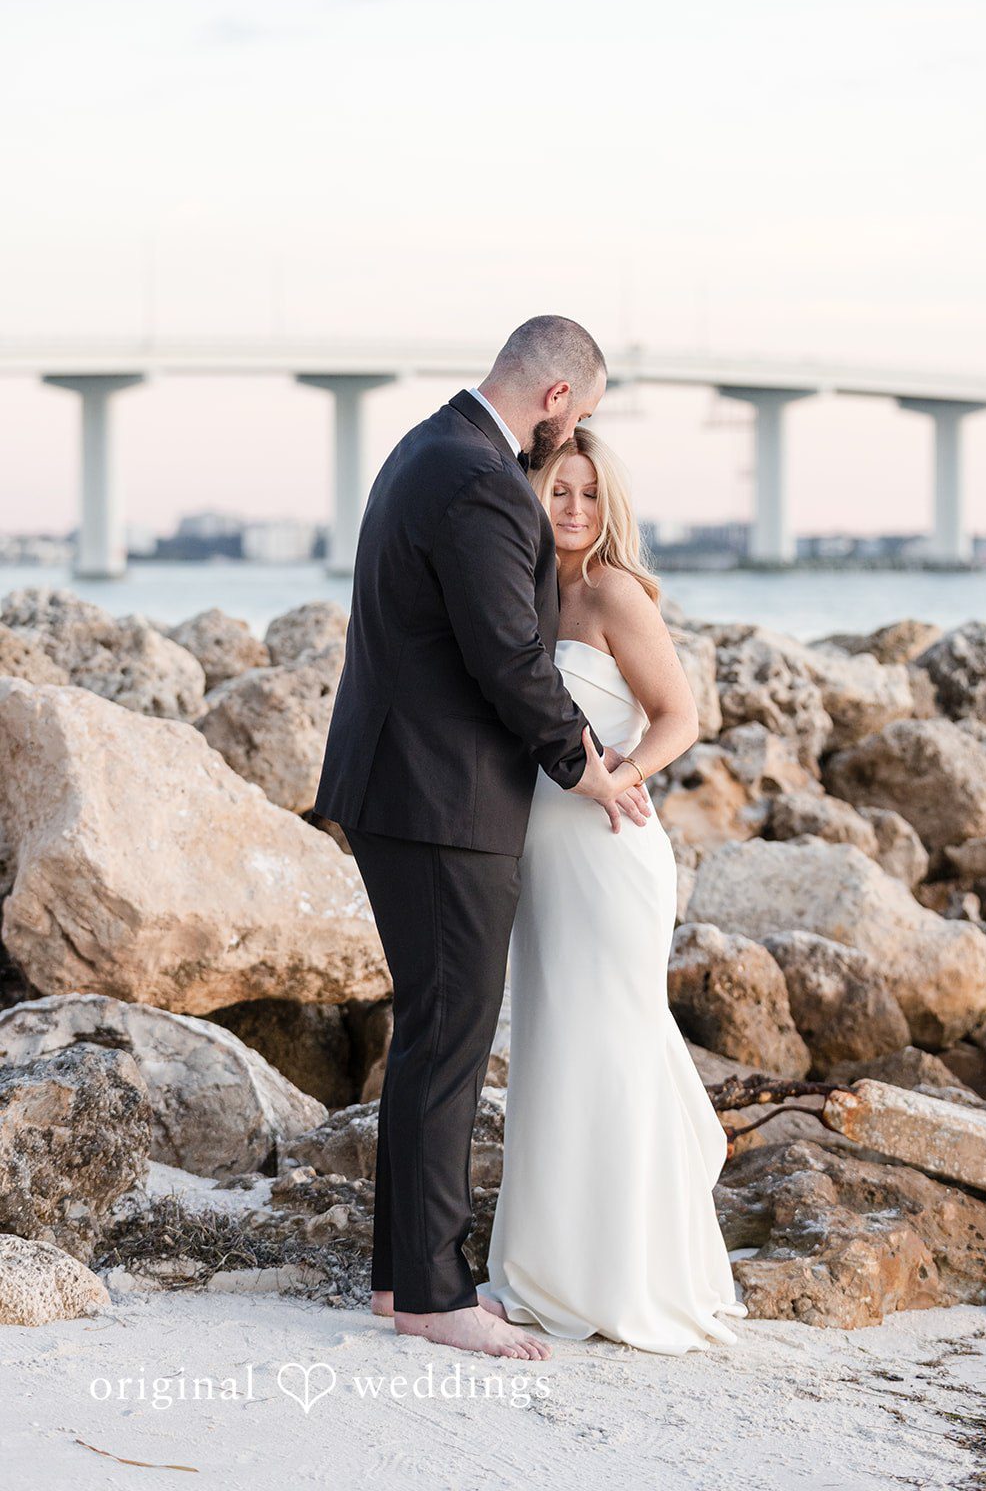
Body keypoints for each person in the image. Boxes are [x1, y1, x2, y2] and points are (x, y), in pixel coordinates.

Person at [313, 315, 651, 1361]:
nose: (575, 438)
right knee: (450, 1035)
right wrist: (586, 765)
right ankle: (433, 1292)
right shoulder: (479, 480)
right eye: (581, 415)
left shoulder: (428, 446)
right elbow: (509, 659)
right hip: (440, 801)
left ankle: (397, 1280)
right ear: (556, 398)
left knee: (431, 1031)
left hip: (404, 788)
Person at [477, 426, 748, 1354]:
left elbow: (682, 715)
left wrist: (624, 770)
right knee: (552, 1047)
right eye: (559, 489)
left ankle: (627, 1276)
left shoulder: (610, 591)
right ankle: (550, 1268)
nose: (575, 509)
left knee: (611, 1043)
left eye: (590, 493)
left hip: (605, 849)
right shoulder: (519, 593)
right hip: (539, 858)